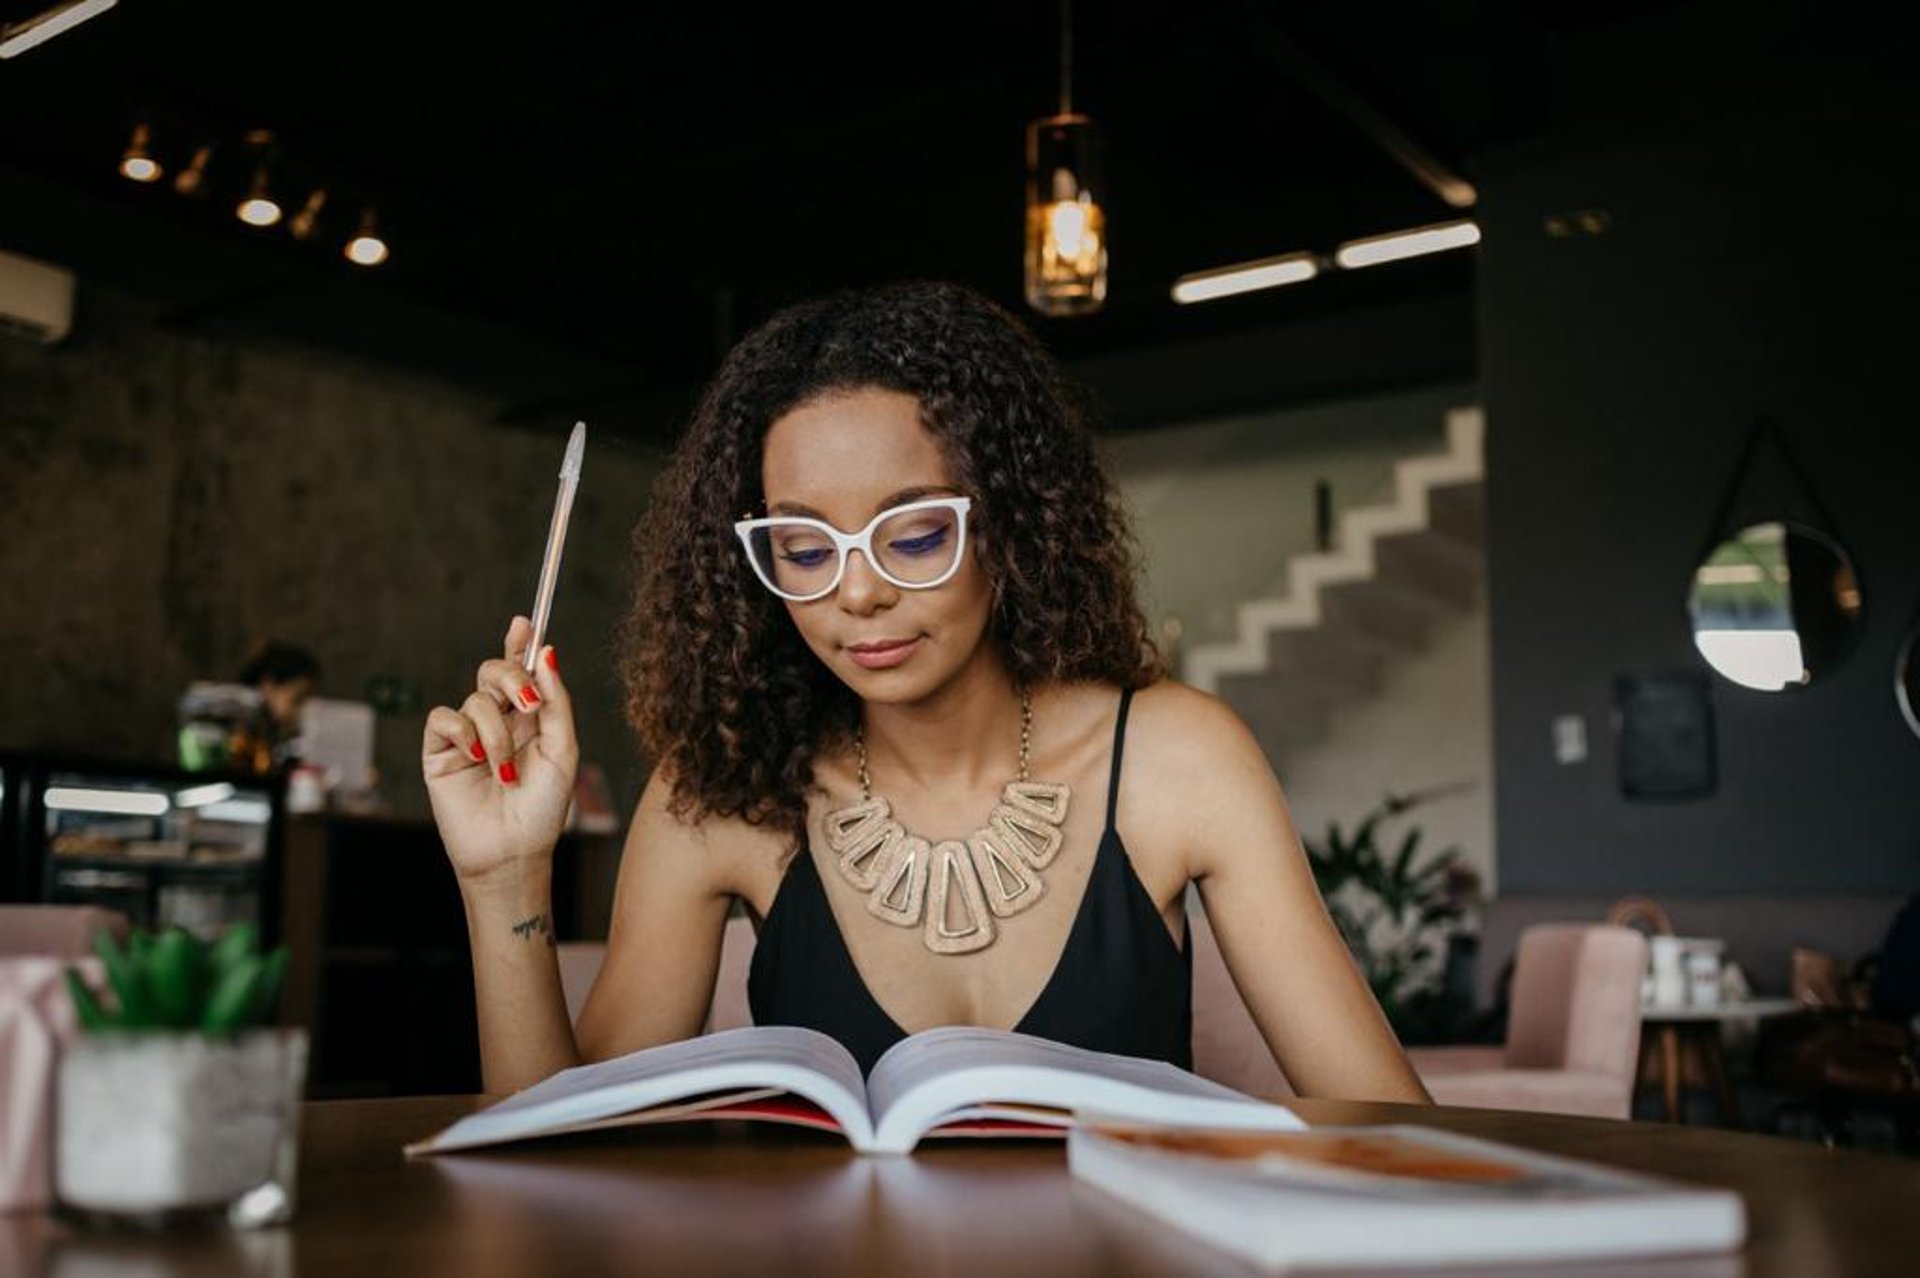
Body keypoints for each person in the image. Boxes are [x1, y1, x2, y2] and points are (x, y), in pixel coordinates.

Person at [422, 281, 1430, 1103]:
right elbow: (553, 1154)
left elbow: (1394, 1134)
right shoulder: (722, 788)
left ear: (1009, 522)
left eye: (911, 535)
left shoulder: (1180, 759)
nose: (857, 591)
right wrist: (503, 879)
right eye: (802, 548)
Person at [238, 639, 321, 772]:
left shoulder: (276, 733)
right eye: (297, 700)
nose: (301, 711)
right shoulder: (245, 734)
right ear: (268, 687)